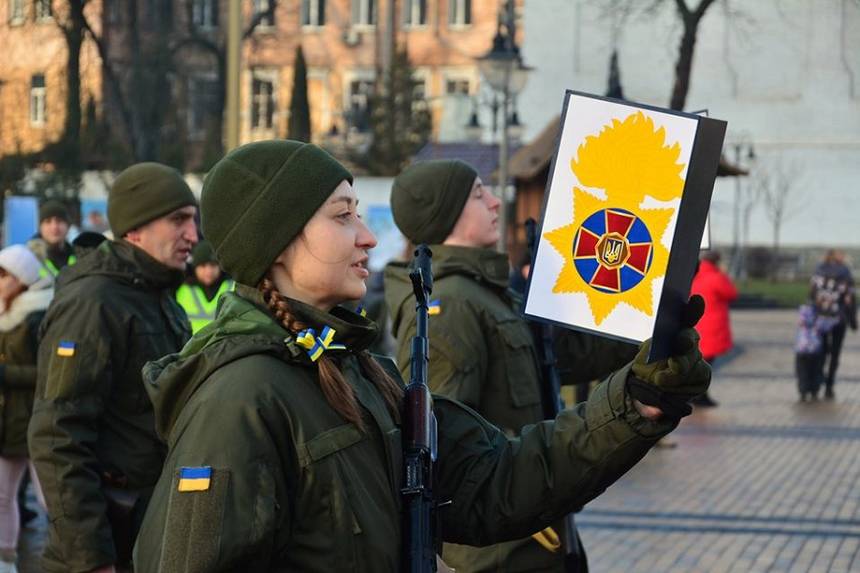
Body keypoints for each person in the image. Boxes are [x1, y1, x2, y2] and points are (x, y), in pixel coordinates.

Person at [133, 140, 710, 572]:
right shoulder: (241, 397)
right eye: (342, 216)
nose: (366, 236)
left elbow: (493, 480)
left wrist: (636, 403)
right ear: (277, 242)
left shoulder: (361, 372)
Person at [385, 159, 640, 572]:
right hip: (500, 553)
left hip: (535, 533)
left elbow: (569, 355)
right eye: (477, 194)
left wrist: (647, 316)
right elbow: (444, 446)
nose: (493, 203)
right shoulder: (452, 306)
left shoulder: (485, 292)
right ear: (445, 213)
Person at [28, 163, 197, 573]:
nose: (192, 235)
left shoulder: (158, 297)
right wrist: (91, 557)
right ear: (135, 228)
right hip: (105, 548)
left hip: (146, 534)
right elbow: (57, 435)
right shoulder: (94, 303)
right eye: (178, 220)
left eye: (194, 221)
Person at [0, 246, 52, 573]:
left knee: (54, 502)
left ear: (23, 278)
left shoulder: (39, 313)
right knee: (2, 497)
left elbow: (48, 372)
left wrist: (5, 374)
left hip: (38, 420)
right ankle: (6, 562)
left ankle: (69, 561)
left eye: (4, 274)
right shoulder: (2, 313)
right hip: (7, 422)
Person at [690, 251, 738, 407]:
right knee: (706, 366)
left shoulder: (695, 275)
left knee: (700, 364)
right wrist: (723, 274)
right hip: (712, 327)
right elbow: (731, 293)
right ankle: (699, 396)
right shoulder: (716, 277)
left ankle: (698, 395)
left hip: (698, 324)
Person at [810, 249, 857, 400]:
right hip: (839, 318)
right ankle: (829, 386)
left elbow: (811, 294)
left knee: (821, 351)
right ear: (839, 257)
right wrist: (853, 321)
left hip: (821, 317)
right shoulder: (845, 273)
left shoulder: (818, 271)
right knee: (835, 353)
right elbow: (850, 299)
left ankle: (817, 381)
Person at [176, 241, 234, 334]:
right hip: (190, 347)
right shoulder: (182, 291)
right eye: (203, 266)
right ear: (195, 267)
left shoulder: (232, 287)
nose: (208, 271)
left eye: (213, 265)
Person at [27, 200, 76, 279]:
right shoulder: (29, 258)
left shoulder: (79, 256)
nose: (54, 227)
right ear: (40, 227)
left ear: (68, 226)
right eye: (48, 221)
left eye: (59, 221)